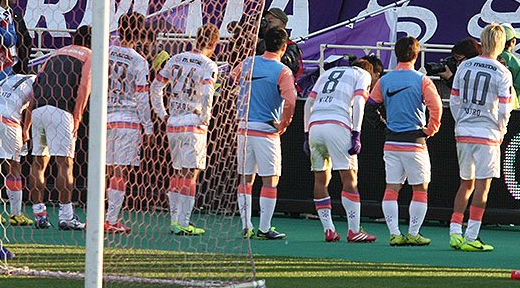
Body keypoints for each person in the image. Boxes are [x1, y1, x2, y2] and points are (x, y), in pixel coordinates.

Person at [368, 36, 442, 246]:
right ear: (416, 56)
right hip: (415, 143)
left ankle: (394, 233)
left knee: (391, 188)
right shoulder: (422, 80)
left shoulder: (385, 80)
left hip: (391, 142)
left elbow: (370, 106)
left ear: (396, 54)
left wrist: (382, 126)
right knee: (420, 189)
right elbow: (436, 107)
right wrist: (430, 130)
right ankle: (413, 233)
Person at [448, 23, 513, 252]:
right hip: (487, 133)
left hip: (464, 131)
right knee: (482, 186)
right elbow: (505, 109)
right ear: (501, 44)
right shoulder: (503, 72)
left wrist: (461, 122)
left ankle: (455, 232)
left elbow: (454, 100)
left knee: (466, 183)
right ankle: (472, 236)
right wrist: (501, 131)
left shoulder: (464, 66)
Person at [151, 23, 220, 236]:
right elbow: (207, 93)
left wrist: (162, 114)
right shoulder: (209, 65)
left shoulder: (176, 58)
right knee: (191, 173)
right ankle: (184, 221)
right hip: (192, 123)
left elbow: (156, 86)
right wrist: (205, 117)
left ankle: (174, 221)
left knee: (178, 171)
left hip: (174, 122)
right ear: (214, 44)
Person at [304, 58, 379, 243]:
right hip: (337, 124)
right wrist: (356, 133)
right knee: (349, 177)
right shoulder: (363, 74)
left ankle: (328, 229)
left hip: (315, 125)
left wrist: (306, 133)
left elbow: (308, 103)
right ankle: (354, 230)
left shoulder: (328, 72)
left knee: (320, 179)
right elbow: (359, 102)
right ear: (371, 72)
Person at [234, 25, 297, 239]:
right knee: (270, 179)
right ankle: (264, 227)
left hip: (243, 128)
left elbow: (229, 80)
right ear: (284, 47)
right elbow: (291, 101)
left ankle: (246, 225)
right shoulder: (283, 71)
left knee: (245, 179)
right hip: (266, 130)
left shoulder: (247, 63)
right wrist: (284, 124)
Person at [29, 26, 92, 230]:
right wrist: (77, 117)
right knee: (65, 164)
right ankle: (66, 216)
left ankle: (39, 214)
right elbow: (84, 88)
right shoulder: (90, 56)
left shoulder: (55, 53)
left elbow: (36, 84)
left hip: (39, 109)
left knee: (39, 162)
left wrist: (29, 118)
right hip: (61, 111)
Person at [103, 12, 153, 234]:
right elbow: (142, 97)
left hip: (105, 118)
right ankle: (111, 219)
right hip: (128, 120)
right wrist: (148, 127)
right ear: (140, 32)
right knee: (119, 172)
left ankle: (98, 217)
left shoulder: (106, 52)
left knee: (104, 170)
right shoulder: (139, 61)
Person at [0, 73, 35, 225]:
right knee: (12, 165)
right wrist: (26, 130)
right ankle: (16, 215)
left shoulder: (7, 78)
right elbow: (32, 105)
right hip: (7, 118)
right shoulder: (36, 80)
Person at [497, 24, 520, 109]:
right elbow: (519, 92)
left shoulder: (486, 59)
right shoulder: (518, 65)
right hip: (509, 109)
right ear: (513, 42)